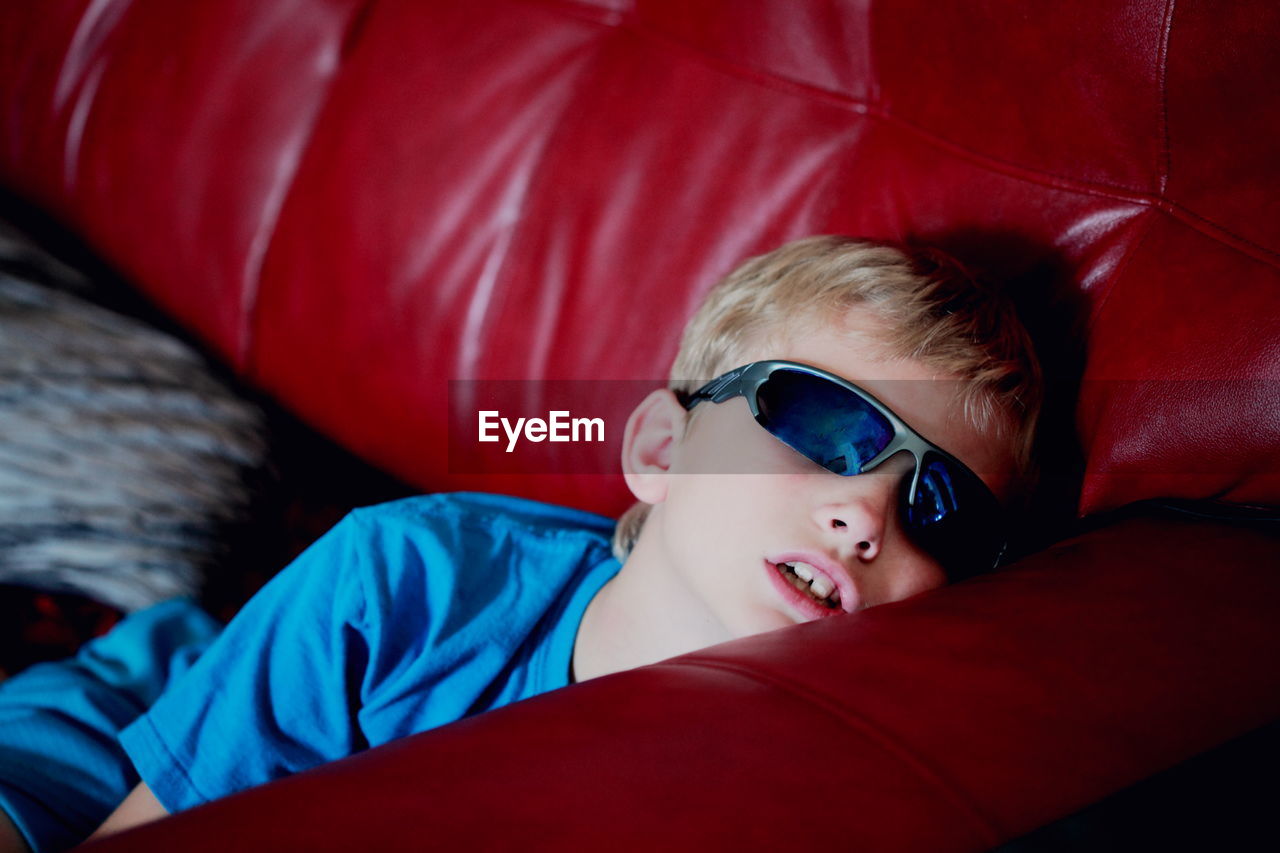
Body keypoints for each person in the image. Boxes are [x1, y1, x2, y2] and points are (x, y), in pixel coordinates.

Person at [0, 235, 1041, 852]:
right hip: (143, 708)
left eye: (939, 504)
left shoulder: (821, 787)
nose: (867, 514)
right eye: (823, 424)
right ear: (658, 447)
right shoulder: (401, 582)